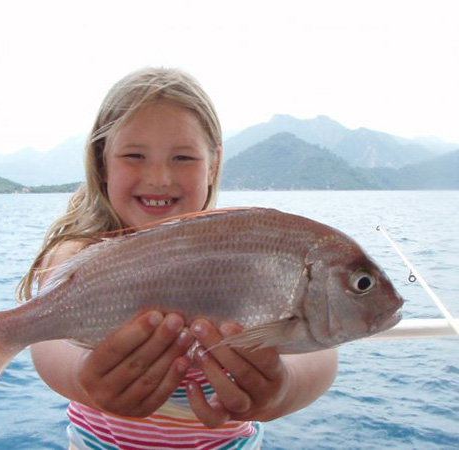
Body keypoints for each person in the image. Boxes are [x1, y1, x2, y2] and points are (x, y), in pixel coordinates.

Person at [17, 67, 338, 449]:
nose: (159, 177)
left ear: (213, 164)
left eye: (183, 157)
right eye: (134, 155)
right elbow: (45, 341)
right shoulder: (78, 254)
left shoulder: (243, 248)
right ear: (103, 162)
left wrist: (282, 388)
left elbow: (321, 353)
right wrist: (84, 377)